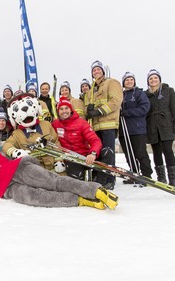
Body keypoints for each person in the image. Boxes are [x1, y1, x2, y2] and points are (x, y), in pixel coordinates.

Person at [0, 100, 119, 210]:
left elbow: (54, 143)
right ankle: (81, 200)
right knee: (37, 198)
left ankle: (95, 190)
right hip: (9, 189)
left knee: (53, 182)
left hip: (20, 169)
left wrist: (34, 158)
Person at [84, 60, 123, 189]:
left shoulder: (111, 83)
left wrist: (99, 111)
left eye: (98, 69)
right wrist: (88, 111)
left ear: (103, 71)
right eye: (94, 70)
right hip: (95, 127)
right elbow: (86, 109)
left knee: (108, 152)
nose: (96, 72)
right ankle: (99, 177)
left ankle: (110, 178)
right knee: (98, 153)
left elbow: (115, 101)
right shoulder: (90, 91)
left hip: (108, 124)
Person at [145, 69, 175, 186]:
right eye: (151, 78)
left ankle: (173, 178)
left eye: (155, 78)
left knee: (167, 150)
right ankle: (161, 177)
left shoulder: (168, 91)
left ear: (159, 79)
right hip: (152, 126)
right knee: (156, 152)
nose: (153, 80)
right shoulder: (146, 95)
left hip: (166, 125)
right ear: (148, 81)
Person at [52, 97, 102, 181]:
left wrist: (93, 153)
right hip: (70, 158)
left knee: (106, 151)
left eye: (66, 108)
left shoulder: (81, 123)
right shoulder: (55, 124)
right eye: (61, 109)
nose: (64, 111)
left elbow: (95, 141)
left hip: (85, 157)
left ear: (71, 109)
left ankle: (101, 180)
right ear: (58, 111)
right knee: (76, 177)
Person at [119, 72, 153, 184]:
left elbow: (144, 108)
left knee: (140, 152)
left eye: (131, 79)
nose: (129, 82)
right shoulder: (121, 95)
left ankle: (146, 175)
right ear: (123, 82)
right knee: (129, 153)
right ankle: (134, 173)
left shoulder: (139, 93)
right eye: (127, 80)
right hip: (124, 130)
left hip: (137, 129)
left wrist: (127, 112)